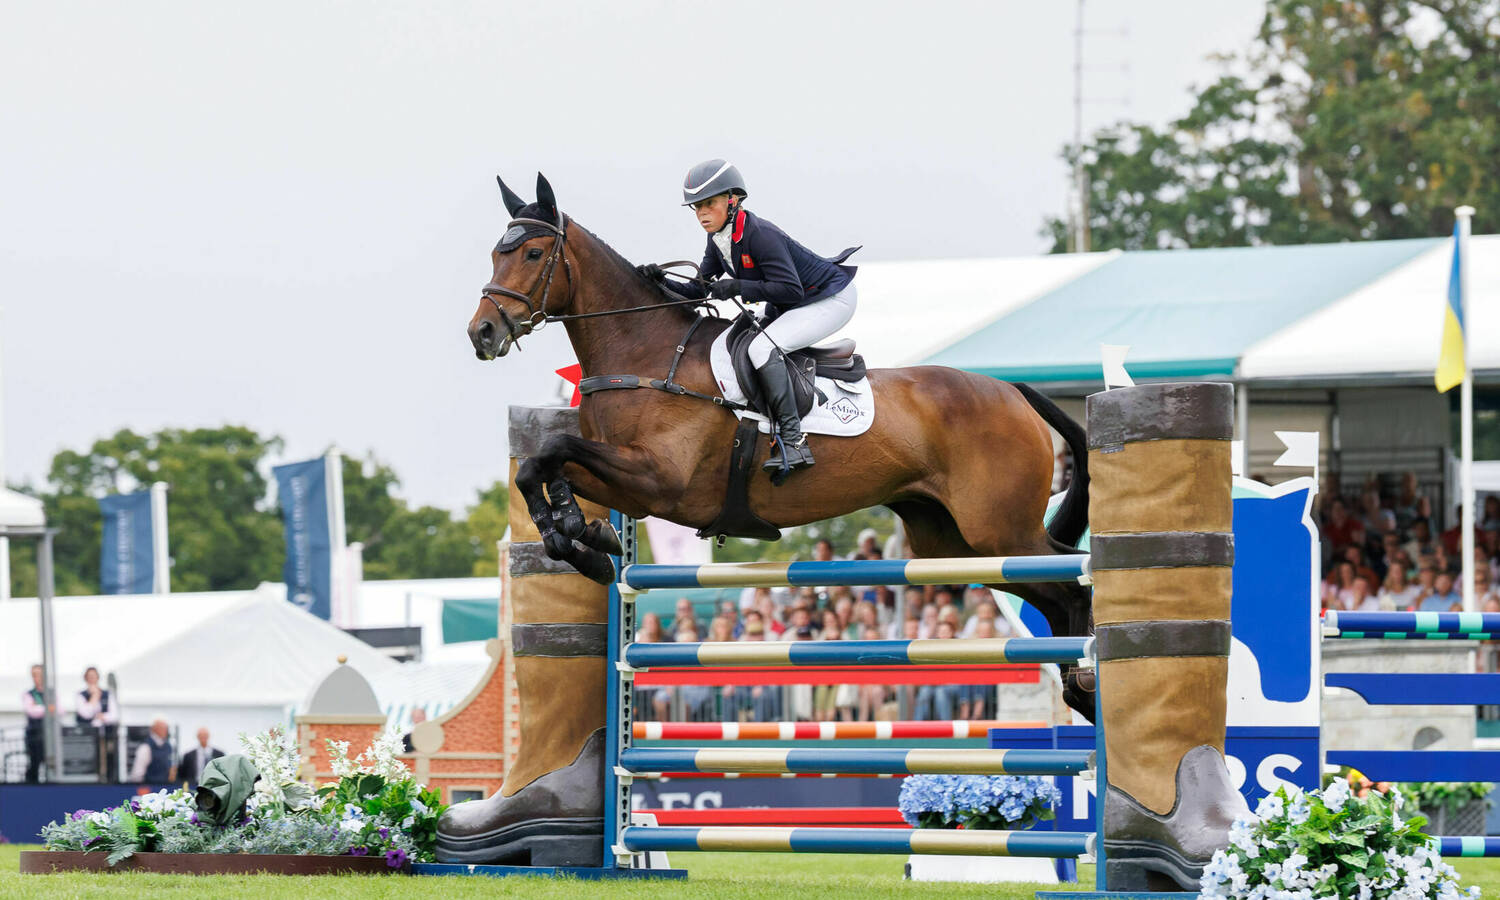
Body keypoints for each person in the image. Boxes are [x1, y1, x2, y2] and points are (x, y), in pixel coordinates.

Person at [639, 159, 860, 475]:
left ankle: (794, 440)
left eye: (708, 204)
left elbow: (790, 290)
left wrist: (739, 286)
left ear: (732, 200)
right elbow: (697, 290)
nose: (701, 214)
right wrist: (658, 282)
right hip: (795, 302)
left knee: (761, 348)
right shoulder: (718, 237)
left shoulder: (759, 234)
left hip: (829, 298)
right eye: (696, 207)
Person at [21, 664, 50, 783]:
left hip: (48, 736)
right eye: (34, 675)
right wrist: (48, 708)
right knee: (34, 764)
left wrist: (40, 707)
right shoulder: (29, 694)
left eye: (39, 675)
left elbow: (60, 710)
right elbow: (31, 711)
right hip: (34, 736)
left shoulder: (50, 693)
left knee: (50, 764)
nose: (37, 678)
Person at [130, 717, 175, 784]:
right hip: (150, 787)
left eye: (166, 728)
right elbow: (137, 774)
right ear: (154, 729)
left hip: (165, 786)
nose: (166, 731)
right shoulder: (146, 747)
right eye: (162, 728)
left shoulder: (168, 746)